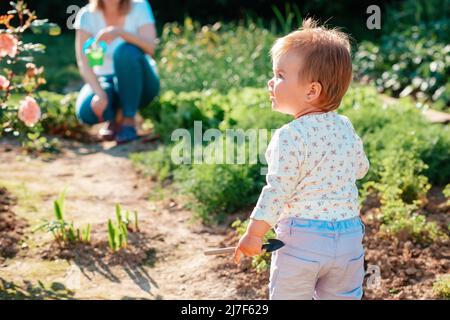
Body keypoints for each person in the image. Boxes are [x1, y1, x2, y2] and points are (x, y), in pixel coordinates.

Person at [233, 18, 370, 300]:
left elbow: (278, 190)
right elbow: (360, 169)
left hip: (303, 242)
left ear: (312, 91)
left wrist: (255, 234)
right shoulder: (344, 126)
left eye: (281, 75)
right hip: (349, 240)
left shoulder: (290, 135)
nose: (272, 82)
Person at [73, 0, 160, 143]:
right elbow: (83, 62)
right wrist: (100, 94)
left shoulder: (140, 6)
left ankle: (128, 119)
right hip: (105, 79)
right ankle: (115, 118)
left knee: (125, 52)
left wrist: (119, 32)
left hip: (142, 83)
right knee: (86, 111)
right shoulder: (86, 15)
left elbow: (151, 48)